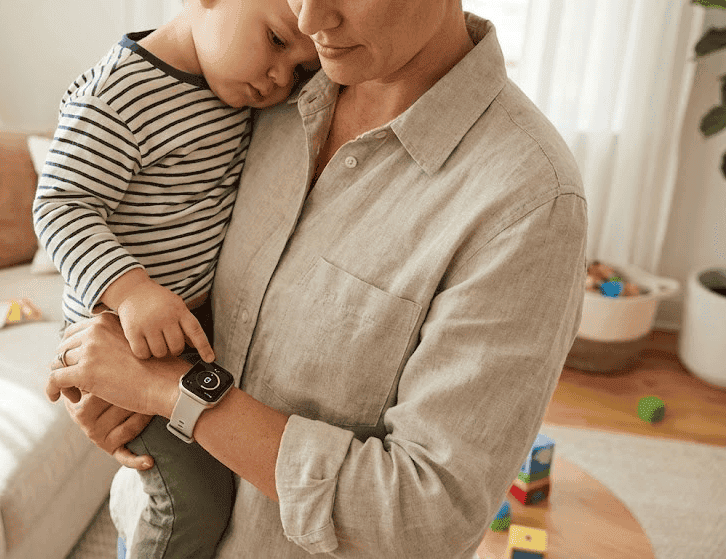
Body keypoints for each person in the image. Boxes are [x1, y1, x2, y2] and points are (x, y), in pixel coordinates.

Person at [46, 0, 588, 557]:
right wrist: (101, 367)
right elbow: (120, 217)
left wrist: (172, 392)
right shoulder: (257, 93)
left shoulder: (528, 204)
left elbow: (430, 514)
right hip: (147, 521)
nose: (307, 20)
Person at [32, 0, 318, 557]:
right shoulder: (118, 95)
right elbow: (59, 204)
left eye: (302, 69)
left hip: (189, 336)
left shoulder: (228, 86)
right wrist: (131, 290)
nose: (282, 77)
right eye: (278, 42)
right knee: (192, 502)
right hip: (126, 340)